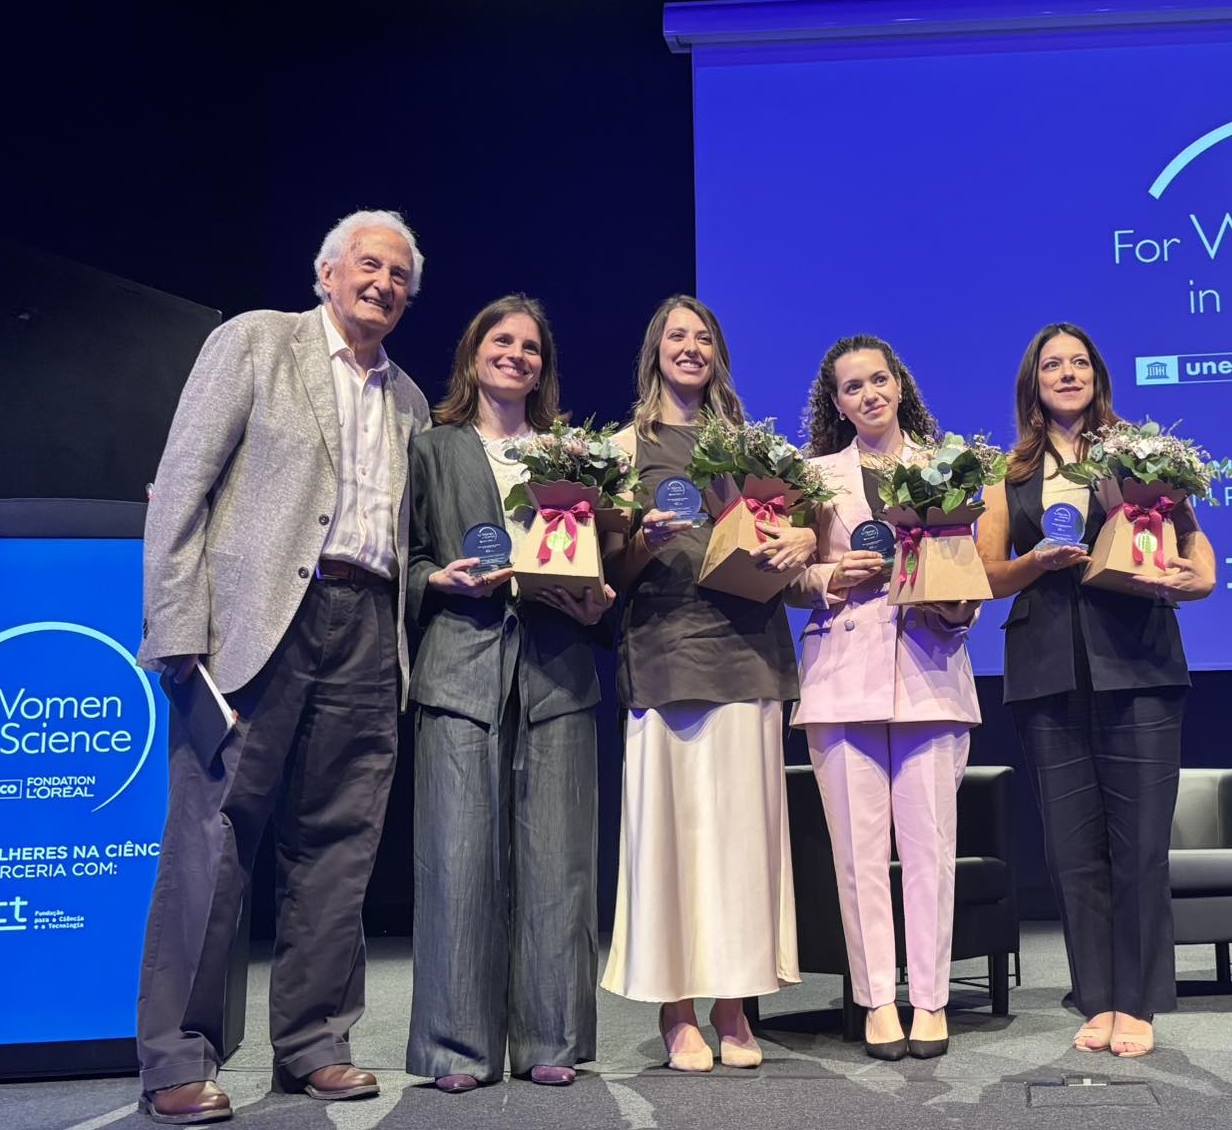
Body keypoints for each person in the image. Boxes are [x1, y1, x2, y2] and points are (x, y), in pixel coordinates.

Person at [135, 210, 431, 1123]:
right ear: (327, 272)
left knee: (340, 844)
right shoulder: (257, 343)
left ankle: (313, 1044)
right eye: (369, 265)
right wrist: (176, 625)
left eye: (399, 276)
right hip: (255, 626)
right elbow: (180, 486)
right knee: (213, 836)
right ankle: (176, 1058)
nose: (382, 283)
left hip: (367, 624)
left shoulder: (411, 400)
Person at [977, 322, 1215, 1059]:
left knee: (1140, 845)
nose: (1068, 373)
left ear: (1097, 376)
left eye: (1079, 362)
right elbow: (986, 572)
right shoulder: (1008, 472)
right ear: (1034, 382)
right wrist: (1037, 563)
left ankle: (1137, 1003)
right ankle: (1098, 998)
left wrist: (1198, 578)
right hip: (1046, 671)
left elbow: (1194, 547)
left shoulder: (1141, 456)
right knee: (1072, 849)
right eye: (1053, 364)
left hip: (1139, 662)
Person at [599, 295, 816, 1071]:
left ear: (718, 354)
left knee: (741, 842)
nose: (691, 347)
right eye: (677, 336)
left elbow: (790, 543)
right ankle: (676, 1007)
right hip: (666, 652)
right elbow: (609, 570)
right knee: (674, 840)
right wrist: (641, 541)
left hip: (749, 652)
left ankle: (733, 1002)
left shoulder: (753, 448)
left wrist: (803, 538)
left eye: (703, 338)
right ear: (655, 350)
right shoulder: (624, 446)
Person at [403, 295, 610, 1093]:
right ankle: (457, 1048)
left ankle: (551, 1038)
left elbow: (597, 566)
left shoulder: (571, 457)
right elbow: (405, 557)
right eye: (502, 340)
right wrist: (438, 580)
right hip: (461, 669)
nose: (516, 355)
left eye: (530, 347)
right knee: (456, 862)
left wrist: (595, 598)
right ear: (473, 352)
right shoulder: (431, 449)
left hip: (556, 673)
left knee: (559, 863)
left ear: (542, 367)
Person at [787, 334, 981, 1060]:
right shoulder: (813, 477)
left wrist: (956, 606)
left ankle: (930, 1000)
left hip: (930, 672)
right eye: (852, 387)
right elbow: (790, 574)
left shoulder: (946, 466)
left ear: (899, 385)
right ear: (836, 404)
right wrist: (828, 577)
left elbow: (965, 573)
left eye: (878, 380)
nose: (868, 395)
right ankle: (877, 1001)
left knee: (931, 849)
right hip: (842, 675)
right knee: (859, 853)